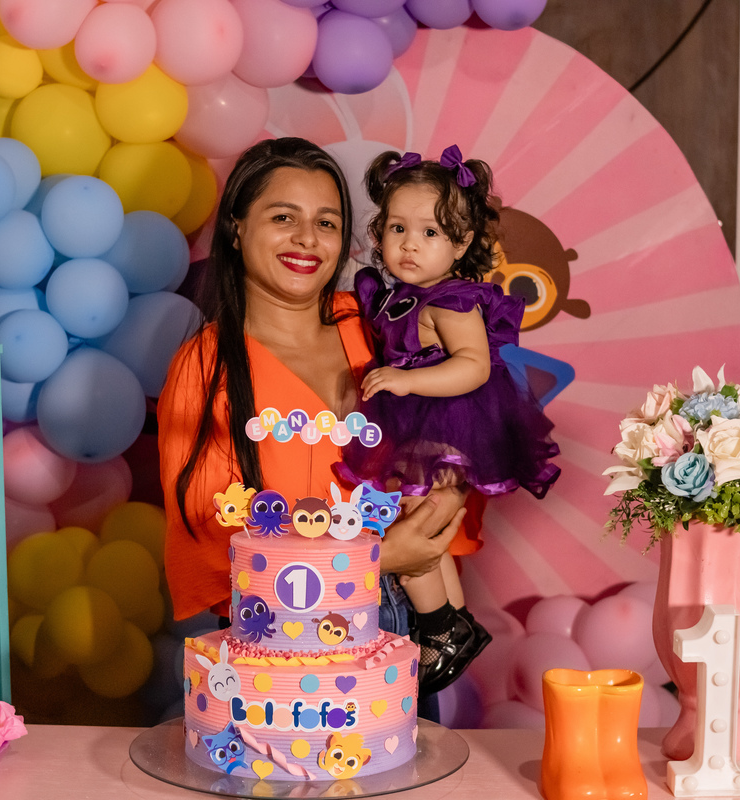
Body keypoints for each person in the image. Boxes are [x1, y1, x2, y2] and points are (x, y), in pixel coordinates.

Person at [158, 137, 468, 712]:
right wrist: (376, 560)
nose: (307, 239)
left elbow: (456, 420)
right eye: (283, 217)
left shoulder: (374, 324)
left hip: (407, 629)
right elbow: (214, 547)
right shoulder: (206, 367)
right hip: (284, 642)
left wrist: (450, 488)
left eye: (326, 222)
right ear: (236, 228)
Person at [338, 146, 561, 693]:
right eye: (397, 228)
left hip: (444, 421)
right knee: (420, 522)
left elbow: (474, 365)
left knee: (415, 522)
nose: (410, 244)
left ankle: (440, 626)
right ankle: (455, 624)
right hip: (416, 419)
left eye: (430, 233)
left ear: (461, 245)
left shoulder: (450, 301)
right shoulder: (400, 296)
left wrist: (407, 379)